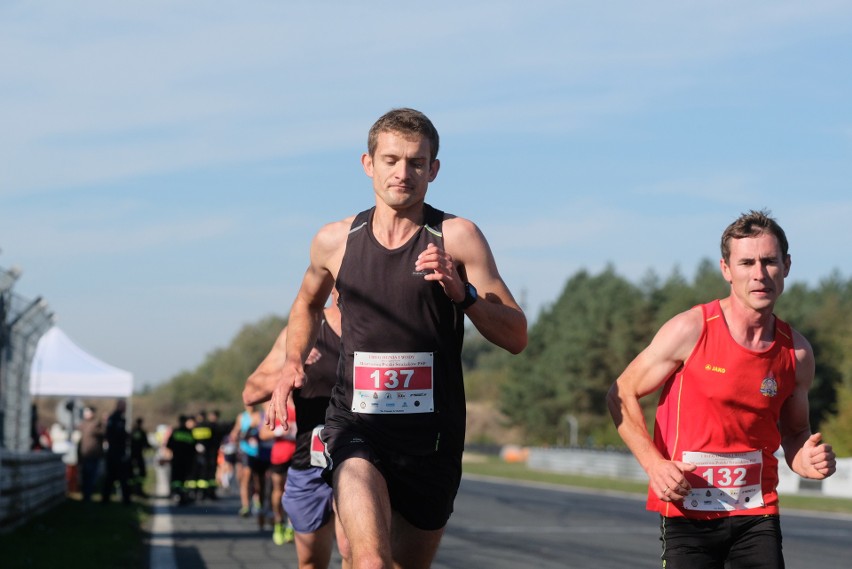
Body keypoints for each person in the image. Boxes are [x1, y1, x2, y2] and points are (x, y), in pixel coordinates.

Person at [264, 108, 528, 568]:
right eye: (390, 160)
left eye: (416, 162)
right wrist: (291, 362)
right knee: (367, 560)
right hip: (355, 426)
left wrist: (461, 293)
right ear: (368, 164)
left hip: (433, 439)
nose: (402, 173)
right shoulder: (335, 240)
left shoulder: (457, 237)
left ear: (434, 169)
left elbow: (516, 335)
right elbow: (306, 303)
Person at [606, 209, 837, 569]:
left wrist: (804, 460)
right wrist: (654, 465)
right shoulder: (691, 329)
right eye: (746, 262)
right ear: (726, 270)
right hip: (688, 513)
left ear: (786, 266)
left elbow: (795, 432)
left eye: (769, 261)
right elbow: (621, 393)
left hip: (756, 513)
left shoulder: (797, 351)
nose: (759, 274)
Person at [244, 296, 345, 568]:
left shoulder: (379, 326)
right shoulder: (305, 329)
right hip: (311, 460)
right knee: (311, 561)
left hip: (364, 456)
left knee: (357, 553)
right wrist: (290, 365)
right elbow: (250, 392)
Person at [101, 399, 131, 505]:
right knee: (115, 477)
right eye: (124, 406)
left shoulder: (120, 419)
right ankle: (107, 499)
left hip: (117, 452)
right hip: (115, 453)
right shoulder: (115, 419)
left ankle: (122, 499)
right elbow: (113, 435)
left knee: (117, 477)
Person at [166, 414, 197, 506]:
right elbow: (193, 448)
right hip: (187, 460)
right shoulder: (189, 432)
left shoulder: (175, 432)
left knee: (176, 478)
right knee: (185, 479)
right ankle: (184, 496)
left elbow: (169, 445)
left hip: (176, 459)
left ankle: (175, 494)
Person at [77, 405, 105, 502]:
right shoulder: (83, 424)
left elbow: (104, 433)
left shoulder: (96, 424)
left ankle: (88, 495)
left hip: (93, 454)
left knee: (91, 475)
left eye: (87, 412)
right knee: (85, 476)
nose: (85, 414)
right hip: (84, 454)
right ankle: (86, 495)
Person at [129, 417, 151, 497]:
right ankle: (138, 490)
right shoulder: (142, 432)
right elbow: (146, 444)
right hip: (138, 455)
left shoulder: (132, 431)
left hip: (132, 455)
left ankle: (132, 489)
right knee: (141, 473)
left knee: (131, 473)